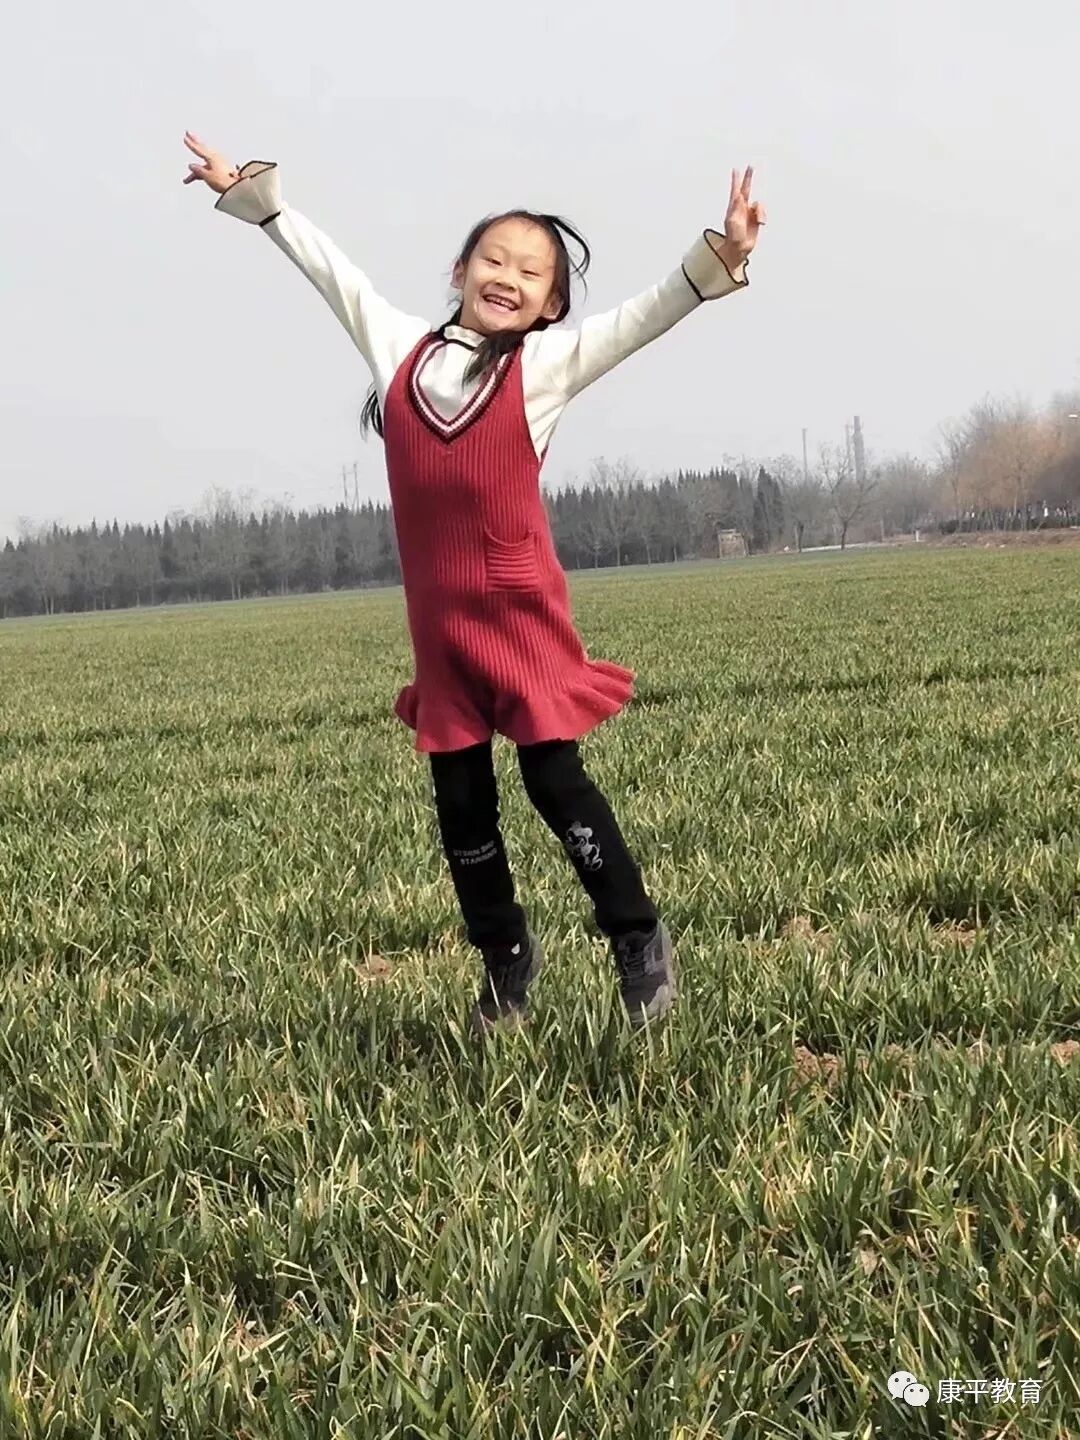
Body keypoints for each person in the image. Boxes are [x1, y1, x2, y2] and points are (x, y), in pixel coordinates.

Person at [182, 132, 764, 1033]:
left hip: (523, 626)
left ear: (550, 304)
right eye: (494, 258)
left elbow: (644, 316)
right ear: (459, 271)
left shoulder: (543, 368)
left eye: (532, 272)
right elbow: (332, 272)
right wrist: (256, 200)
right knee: (461, 807)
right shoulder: (398, 350)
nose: (508, 276)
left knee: (555, 783)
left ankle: (636, 936)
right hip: (443, 637)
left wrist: (719, 254)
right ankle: (504, 958)